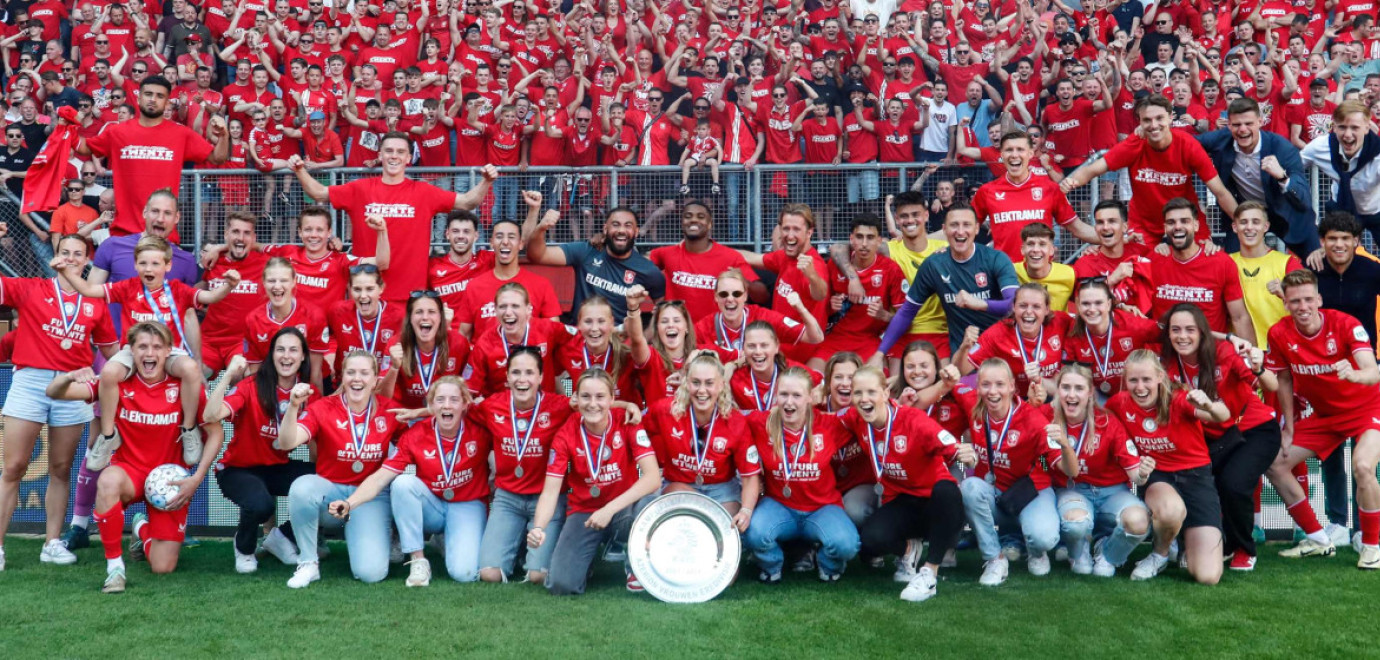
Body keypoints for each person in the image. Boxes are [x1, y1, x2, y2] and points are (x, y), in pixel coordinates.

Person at [48, 322, 222, 594]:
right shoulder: (117, 382)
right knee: (106, 480)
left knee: (163, 567)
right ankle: (115, 568)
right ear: (130, 351)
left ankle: (141, 527)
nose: (149, 353)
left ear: (168, 352)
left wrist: (196, 478)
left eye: (156, 347)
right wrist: (70, 376)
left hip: (169, 480)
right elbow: (55, 392)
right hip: (130, 471)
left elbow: (216, 434)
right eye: (142, 346)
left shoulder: (185, 386)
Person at [58, 235, 239, 474]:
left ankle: (188, 430)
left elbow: (209, 297)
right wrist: (67, 273)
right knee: (110, 371)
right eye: (143, 263)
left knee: (191, 368)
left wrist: (228, 285)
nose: (148, 269)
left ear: (167, 266)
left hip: (168, 351)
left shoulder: (177, 289)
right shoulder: (127, 287)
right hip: (132, 352)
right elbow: (90, 290)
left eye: (155, 264)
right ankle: (109, 434)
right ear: (135, 266)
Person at [0, 235, 118, 570]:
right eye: (64, 252)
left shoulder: (95, 302)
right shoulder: (31, 287)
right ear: (55, 257)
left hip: (74, 383)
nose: (69, 258)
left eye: (77, 254)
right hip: (31, 379)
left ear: (86, 261)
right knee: (13, 467)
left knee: (61, 468)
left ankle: (52, 542)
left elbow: (111, 350)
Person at [288, 132, 497, 303]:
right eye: (388, 151)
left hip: (410, 296)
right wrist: (299, 171)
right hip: (367, 295)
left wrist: (485, 181)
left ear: (408, 158)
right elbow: (318, 192)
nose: (394, 156)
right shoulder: (359, 189)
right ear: (380, 155)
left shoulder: (424, 192)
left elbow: (468, 202)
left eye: (400, 152)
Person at [1264, 270, 1380, 569]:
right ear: (1286, 303)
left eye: (1307, 300)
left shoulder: (1345, 324)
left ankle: (1372, 545)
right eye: (1295, 301)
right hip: (1326, 417)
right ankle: (1318, 539)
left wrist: (1354, 374)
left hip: (1368, 407)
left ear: (1319, 299)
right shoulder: (1279, 333)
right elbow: (1284, 379)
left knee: (1363, 467)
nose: (1302, 307)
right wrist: (1289, 427)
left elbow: (1372, 370)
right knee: (1275, 462)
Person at [328, 377, 490, 586]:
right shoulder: (415, 434)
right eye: (440, 400)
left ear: (465, 404)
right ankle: (418, 560)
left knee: (464, 574)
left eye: (454, 400)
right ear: (431, 406)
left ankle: (446, 538)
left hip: (468, 503)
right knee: (402, 484)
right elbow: (380, 478)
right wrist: (350, 503)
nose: (447, 405)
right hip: (432, 505)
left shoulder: (481, 430)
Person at [1159, 304, 1281, 571]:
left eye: (1191, 330)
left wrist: (1258, 367)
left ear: (1202, 332)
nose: (1182, 336)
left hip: (1254, 429)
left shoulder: (1225, 353)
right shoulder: (1167, 362)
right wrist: (1226, 334)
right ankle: (1212, 545)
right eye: (1176, 330)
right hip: (1213, 436)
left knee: (1233, 484)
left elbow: (1271, 385)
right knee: (1198, 484)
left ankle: (1244, 548)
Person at [528, 370, 661, 595]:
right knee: (561, 584)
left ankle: (635, 563)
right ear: (576, 399)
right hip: (584, 512)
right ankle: (585, 561)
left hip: (623, 509)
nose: (592, 404)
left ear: (611, 399)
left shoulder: (627, 420)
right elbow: (550, 492)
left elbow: (652, 478)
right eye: (585, 397)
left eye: (600, 397)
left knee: (647, 504)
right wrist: (539, 527)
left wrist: (609, 510)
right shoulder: (565, 434)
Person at [278, 350, 404, 588]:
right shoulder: (322, 407)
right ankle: (308, 563)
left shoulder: (390, 411)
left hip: (368, 497)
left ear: (376, 379)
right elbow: (287, 442)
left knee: (371, 574)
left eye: (364, 373)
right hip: (330, 493)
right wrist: (293, 407)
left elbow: (412, 445)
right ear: (342, 377)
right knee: (301, 488)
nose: (357, 379)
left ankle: (370, 533)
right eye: (351, 372)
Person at [844, 366, 967, 602]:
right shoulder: (856, 420)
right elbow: (823, 421)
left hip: (937, 501)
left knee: (954, 489)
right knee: (871, 540)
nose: (864, 399)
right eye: (858, 393)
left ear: (885, 392)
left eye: (871, 391)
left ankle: (931, 573)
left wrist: (965, 454)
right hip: (900, 501)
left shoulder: (914, 420)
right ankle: (910, 550)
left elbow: (952, 446)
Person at [1106, 350, 1230, 584]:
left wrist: (1209, 405)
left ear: (1160, 378)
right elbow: (1098, 422)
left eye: (1146, 380)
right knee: (1171, 510)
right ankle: (1159, 554)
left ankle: (1181, 540)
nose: (1140, 387)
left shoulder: (1179, 398)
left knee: (1207, 576)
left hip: (1196, 478)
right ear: (1125, 381)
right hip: (1158, 476)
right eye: (1133, 380)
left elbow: (1222, 416)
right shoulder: (1118, 403)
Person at [203, 335, 319, 573]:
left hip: (275, 467)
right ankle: (244, 548)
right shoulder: (251, 385)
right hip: (238, 469)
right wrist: (227, 376)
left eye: (293, 350)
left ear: (303, 356)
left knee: (327, 485)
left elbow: (316, 442)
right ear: (271, 355)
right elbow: (211, 415)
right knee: (261, 505)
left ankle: (282, 537)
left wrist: (320, 474)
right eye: (280, 350)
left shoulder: (308, 393)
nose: (286, 356)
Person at [1061, 94, 1238, 244]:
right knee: (1137, 273)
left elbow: (1220, 192)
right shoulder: (1134, 144)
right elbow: (1093, 169)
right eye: (1147, 120)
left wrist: (1241, 224)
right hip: (1143, 227)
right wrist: (1069, 183)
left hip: (1185, 222)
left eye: (1159, 118)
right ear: (1140, 122)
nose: (1153, 125)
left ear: (1170, 117)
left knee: (1203, 264)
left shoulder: (1187, 144)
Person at [742, 366, 861, 583]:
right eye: (784, 394)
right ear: (775, 395)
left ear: (809, 398)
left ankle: (828, 564)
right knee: (753, 533)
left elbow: (868, 408)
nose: (789, 402)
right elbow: (725, 415)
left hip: (822, 507)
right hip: (779, 506)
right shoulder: (761, 422)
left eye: (797, 395)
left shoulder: (829, 423)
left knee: (846, 544)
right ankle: (772, 565)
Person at [77, 75, 229, 241]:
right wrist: (68, 125)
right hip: (124, 234)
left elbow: (217, 158)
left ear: (167, 102)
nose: (153, 99)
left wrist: (223, 136)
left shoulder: (180, 134)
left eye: (160, 96)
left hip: (163, 236)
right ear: (139, 97)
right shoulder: (118, 131)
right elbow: (84, 147)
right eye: (148, 94)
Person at [473, 347, 574, 586]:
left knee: (539, 576)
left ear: (540, 378)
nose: (522, 379)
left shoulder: (560, 405)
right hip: (507, 499)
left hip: (547, 499)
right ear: (507, 377)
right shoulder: (491, 406)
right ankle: (517, 544)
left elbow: (598, 405)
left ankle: (531, 550)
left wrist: (630, 407)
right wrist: (421, 411)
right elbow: (454, 410)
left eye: (529, 372)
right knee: (490, 574)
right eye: (516, 372)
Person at [959, 359, 1061, 587]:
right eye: (986, 384)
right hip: (993, 491)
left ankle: (1035, 551)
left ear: (1013, 387)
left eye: (999, 384)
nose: (992, 391)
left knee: (1043, 537)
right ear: (977, 386)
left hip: (1031, 491)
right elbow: (949, 384)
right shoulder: (972, 405)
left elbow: (1048, 462)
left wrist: (1039, 470)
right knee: (968, 487)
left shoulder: (1033, 419)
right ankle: (995, 558)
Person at [874, 204, 1020, 361]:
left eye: (967, 225)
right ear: (944, 229)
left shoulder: (996, 259)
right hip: (963, 354)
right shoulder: (934, 265)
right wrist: (879, 354)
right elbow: (907, 311)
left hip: (1001, 349)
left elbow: (1014, 305)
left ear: (977, 229)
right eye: (954, 225)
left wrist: (979, 303)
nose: (960, 231)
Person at [1045, 365, 1150, 577]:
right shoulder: (1046, 419)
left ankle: (1108, 553)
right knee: (1076, 525)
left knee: (1138, 522)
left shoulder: (1108, 420)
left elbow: (1135, 476)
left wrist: (1143, 473)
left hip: (1112, 491)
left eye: (1078, 388)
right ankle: (1079, 549)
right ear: (1057, 391)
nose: (1071, 394)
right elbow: (1050, 464)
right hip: (1072, 490)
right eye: (1065, 387)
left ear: (1090, 393)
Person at [643, 353, 761, 519]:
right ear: (687, 384)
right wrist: (626, 405)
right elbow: (630, 428)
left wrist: (746, 512)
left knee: (725, 524)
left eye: (709, 383)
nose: (702, 390)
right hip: (680, 485)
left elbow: (749, 477)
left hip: (722, 489)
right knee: (690, 514)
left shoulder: (736, 421)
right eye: (696, 382)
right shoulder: (665, 410)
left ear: (721, 385)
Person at [1196, 98, 1317, 255]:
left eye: (1249, 123)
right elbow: (1185, 143)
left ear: (1260, 122)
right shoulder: (1221, 140)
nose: (1242, 129)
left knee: (1317, 262)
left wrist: (1282, 177)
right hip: (1245, 212)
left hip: (1285, 213)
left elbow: (1303, 196)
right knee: (1235, 264)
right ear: (1229, 126)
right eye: (1237, 125)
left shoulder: (1282, 147)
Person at [970, 130, 1097, 261]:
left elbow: (1078, 228)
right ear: (1002, 155)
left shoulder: (1049, 188)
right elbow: (966, 228)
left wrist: (1116, 238)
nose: (1014, 155)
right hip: (1004, 274)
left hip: (1040, 273)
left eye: (1020, 149)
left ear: (1030, 153)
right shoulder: (987, 191)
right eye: (1009, 150)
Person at [524, 206, 667, 321]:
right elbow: (537, 256)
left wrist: (646, 337)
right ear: (605, 229)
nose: (621, 230)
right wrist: (541, 229)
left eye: (628, 226)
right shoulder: (586, 251)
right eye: (615, 225)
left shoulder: (648, 270)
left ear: (636, 232)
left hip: (618, 344)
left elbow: (664, 312)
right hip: (581, 339)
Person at [1149, 198, 1256, 339]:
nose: (1177, 227)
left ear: (1196, 226)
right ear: (1165, 228)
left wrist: (1251, 357)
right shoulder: (1152, 261)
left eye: (1184, 221)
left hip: (1209, 353)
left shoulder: (1221, 262)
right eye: (1171, 222)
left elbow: (1239, 317)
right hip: (1165, 354)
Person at [735, 205, 831, 361]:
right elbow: (752, 257)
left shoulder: (813, 265)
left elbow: (820, 293)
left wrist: (812, 275)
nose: (790, 235)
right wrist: (714, 250)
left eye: (796, 229)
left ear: (809, 232)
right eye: (786, 229)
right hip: (778, 350)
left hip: (799, 357)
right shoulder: (785, 257)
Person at [818, 215, 907, 370]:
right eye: (859, 237)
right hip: (835, 339)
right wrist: (831, 307)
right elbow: (819, 310)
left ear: (879, 241)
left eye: (870, 238)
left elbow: (906, 318)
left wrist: (884, 315)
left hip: (869, 340)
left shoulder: (890, 269)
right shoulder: (835, 264)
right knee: (812, 377)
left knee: (877, 381)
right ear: (851, 239)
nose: (864, 244)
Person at [454, 212, 562, 338]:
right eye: (499, 236)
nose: (505, 241)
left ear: (521, 244)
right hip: (485, 356)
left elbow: (555, 333)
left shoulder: (541, 285)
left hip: (527, 356)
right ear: (491, 243)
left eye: (511, 237)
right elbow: (463, 336)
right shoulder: (474, 286)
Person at [648, 201, 760, 320]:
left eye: (701, 217)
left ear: (710, 224)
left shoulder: (730, 257)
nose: (694, 220)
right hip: (679, 332)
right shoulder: (666, 254)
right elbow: (640, 264)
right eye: (688, 216)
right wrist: (658, 299)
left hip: (713, 334)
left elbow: (761, 296)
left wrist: (744, 282)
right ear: (682, 222)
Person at [466, 282, 572, 396]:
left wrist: (570, 391)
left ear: (529, 309)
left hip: (544, 408)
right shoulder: (485, 344)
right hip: (503, 411)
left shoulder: (547, 329)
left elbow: (582, 338)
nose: (508, 312)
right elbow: (469, 391)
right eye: (502, 307)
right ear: (495, 310)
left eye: (515, 306)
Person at [881, 192, 949, 364]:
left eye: (915, 215)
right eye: (904, 216)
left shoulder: (946, 249)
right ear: (896, 219)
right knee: (892, 388)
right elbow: (842, 247)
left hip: (939, 331)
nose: (910, 220)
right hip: (901, 332)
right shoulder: (889, 250)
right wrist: (852, 279)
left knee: (947, 386)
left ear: (926, 215)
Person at [198, 212, 269, 376]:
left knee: (241, 375)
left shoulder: (264, 262)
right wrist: (218, 249)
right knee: (194, 376)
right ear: (226, 234)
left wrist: (220, 246)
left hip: (242, 341)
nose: (241, 238)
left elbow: (292, 253)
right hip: (209, 341)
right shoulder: (213, 261)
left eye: (247, 233)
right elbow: (200, 289)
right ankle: (209, 400)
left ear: (253, 238)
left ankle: (227, 401)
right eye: (236, 232)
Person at [695, 271, 822, 362]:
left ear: (745, 296)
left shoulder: (763, 317)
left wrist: (801, 308)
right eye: (723, 294)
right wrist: (736, 355)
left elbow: (816, 337)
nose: (730, 299)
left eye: (737, 294)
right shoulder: (705, 326)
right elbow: (685, 349)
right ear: (716, 297)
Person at [1064, 279, 1161, 397]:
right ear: (1078, 305)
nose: (1092, 309)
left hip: (1134, 394)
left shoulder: (1131, 323)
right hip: (1097, 396)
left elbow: (1168, 335)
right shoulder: (1073, 331)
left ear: (1109, 304)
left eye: (1098, 303)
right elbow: (1069, 374)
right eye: (1086, 304)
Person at [1300, 100, 1380, 242]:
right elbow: (1293, 166)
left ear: (1367, 128)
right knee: (1336, 253)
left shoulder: (1378, 154)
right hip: (1342, 209)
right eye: (1342, 127)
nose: (1348, 134)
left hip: (1375, 210)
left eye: (1355, 128)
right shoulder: (1321, 146)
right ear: (1334, 127)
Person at [381, 292, 471, 411]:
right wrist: (394, 368)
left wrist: (421, 413)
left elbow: (468, 395)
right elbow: (383, 397)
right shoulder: (396, 344)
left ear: (441, 318)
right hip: (406, 418)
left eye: (431, 312)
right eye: (419, 312)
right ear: (410, 318)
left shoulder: (458, 343)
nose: (425, 317)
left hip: (446, 415)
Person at [325, 264, 404, 382]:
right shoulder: (337, 311)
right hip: (345, 386)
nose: (363, 296)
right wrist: (330, 354)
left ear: (381, 288)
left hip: (381, 387)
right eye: (357, 289)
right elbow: (328, 338)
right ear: (349, 289)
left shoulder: (398, 316)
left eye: (369, 289)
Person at [625, 287, 697, 408]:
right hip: (656, 425)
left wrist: (698, 357)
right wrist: (633, 308)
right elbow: (637, 340)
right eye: (664, 321)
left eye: (676, 320)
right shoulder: (652, 358)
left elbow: (739, 357)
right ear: (657, 329)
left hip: (691, 425)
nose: (670, 325)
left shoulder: (699, 356)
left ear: (687, 328)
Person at [1014, 224, 1075, 312]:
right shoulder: (1011, 272)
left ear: (1051, 250)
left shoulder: (1070, 274)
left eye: (1042, 244)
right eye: (1030, 244)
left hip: (1057, 325)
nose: (1036, 249)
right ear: (1022, 249)